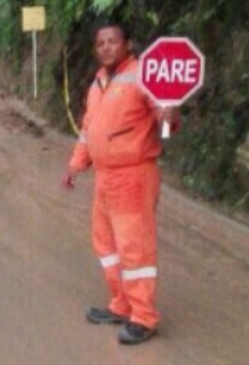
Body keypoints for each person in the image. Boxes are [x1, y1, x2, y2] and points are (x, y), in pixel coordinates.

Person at [61, 22, 179, 345]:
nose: (106, 48)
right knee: (106, 244)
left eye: (113, 41)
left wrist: (169, 116)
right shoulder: (99, 81)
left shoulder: (144, 74)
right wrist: (76, 164)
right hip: (105, 177)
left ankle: (144, 316)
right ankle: (123, 304)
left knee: (134, 247)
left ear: (127, 43)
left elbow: (165, 115)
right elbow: (89, 129)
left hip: (133, 175)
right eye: (100, 43)